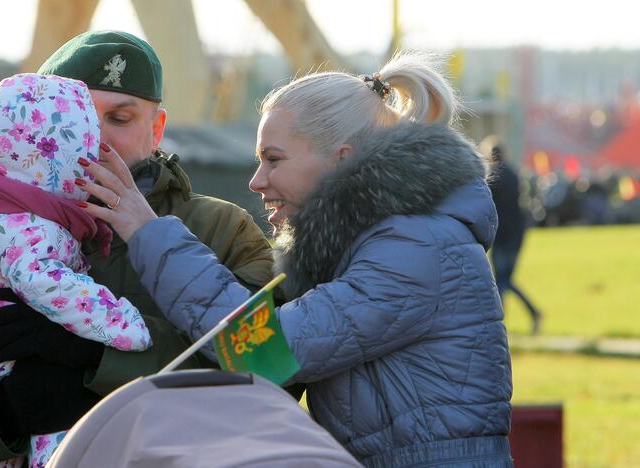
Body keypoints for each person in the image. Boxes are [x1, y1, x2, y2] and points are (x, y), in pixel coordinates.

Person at [0, 30, 274, 467]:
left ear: (156, 130)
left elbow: (272, 377)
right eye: (74, 118)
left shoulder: (219, 229)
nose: (94, 139)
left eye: (120, 119)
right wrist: (4, 409)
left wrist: (98, 358)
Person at [79, 53, 514, 467]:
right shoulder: (381, 241)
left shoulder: (417, 247)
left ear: (341, 160)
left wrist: (147, 233)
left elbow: (265, 351)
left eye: (273, 160)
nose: (256, 180)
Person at [0, 73, 153, 467]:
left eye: (121, 118)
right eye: (89, 137)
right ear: (55, 158)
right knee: (60, 427)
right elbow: (47, 282)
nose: (102, 148)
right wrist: (124, 323)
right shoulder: (26, 225)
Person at [482, 136, 542, 335]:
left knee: (502, 281)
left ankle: (500, 322)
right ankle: (527, 315)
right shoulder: (514, 174)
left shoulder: (492, 177)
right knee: (505, 280)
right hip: (516, 233)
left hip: (501, 233)